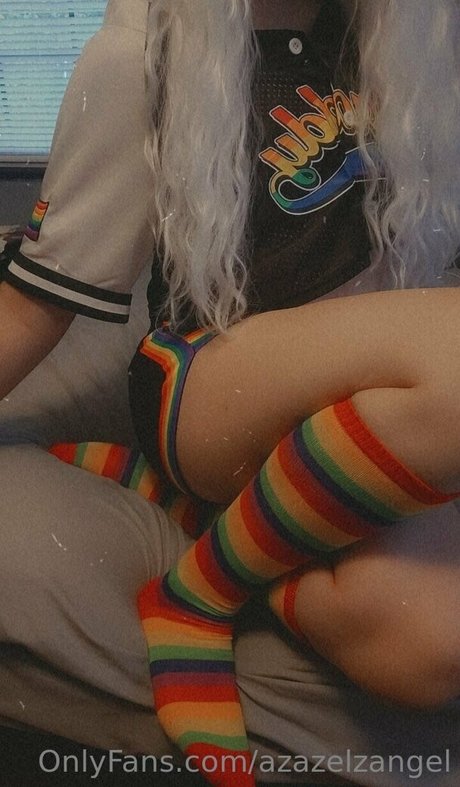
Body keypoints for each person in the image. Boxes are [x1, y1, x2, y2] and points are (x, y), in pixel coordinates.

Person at [1, 0, 459, 784]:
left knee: (429, 651)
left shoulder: (401, 33)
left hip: (357, 419)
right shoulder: (146, 48)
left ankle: (225, 527)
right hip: (210, 383)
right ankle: (199, 594)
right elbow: (32, 306)